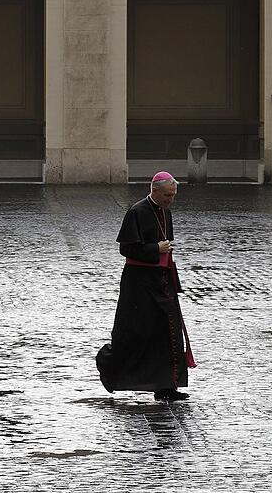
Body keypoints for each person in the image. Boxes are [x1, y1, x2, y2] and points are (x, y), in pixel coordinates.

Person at [96, 171, 195, 402]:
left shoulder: (166, 212)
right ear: (155, 191)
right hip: (139, 282)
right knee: (137, 333)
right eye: (168, 195)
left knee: (168, 331)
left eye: (174, 195)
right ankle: (108, 364)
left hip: (163, 279)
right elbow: (126, 249)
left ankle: (166, 387)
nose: (171, 200)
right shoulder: (136, 212)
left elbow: (166, 245)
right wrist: (155, 249)